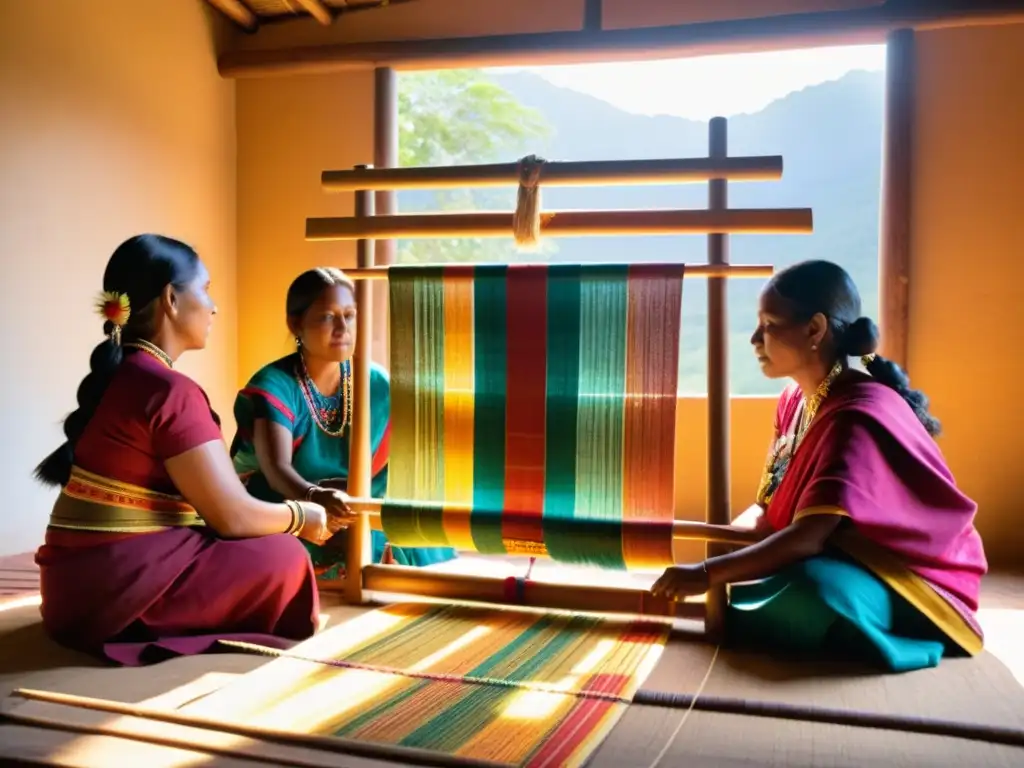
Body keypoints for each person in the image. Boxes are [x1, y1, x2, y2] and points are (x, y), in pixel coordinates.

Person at [651, 260, 988, 673]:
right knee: (764, 584)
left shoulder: (856, 416)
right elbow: (766, 507)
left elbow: (806, 537)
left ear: (814, 330)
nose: (756, 339)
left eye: (769, 324)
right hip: (831, 554)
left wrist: (707, 573)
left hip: (909, 578)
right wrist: (704, 542)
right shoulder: (795, 401)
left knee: (811, 590)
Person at [33, 235, 346, 667]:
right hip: (115, 600)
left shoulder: (120, 376)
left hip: (70, 591)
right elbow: (231, 517)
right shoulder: (168, 390)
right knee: (286, 557)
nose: (214, 306)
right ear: (171, 299)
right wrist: (301, 516)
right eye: (207, 288)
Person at [230, 267, 457, 580]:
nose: (342, 328)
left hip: (356, 502)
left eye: (349, 315)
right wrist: (315, 499)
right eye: (327, 317)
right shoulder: (275, 385)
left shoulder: (373, 382)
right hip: (285, 503)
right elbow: (276, 470)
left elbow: (404, 461)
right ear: (295, 324)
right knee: (281, 557)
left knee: (400, 526)